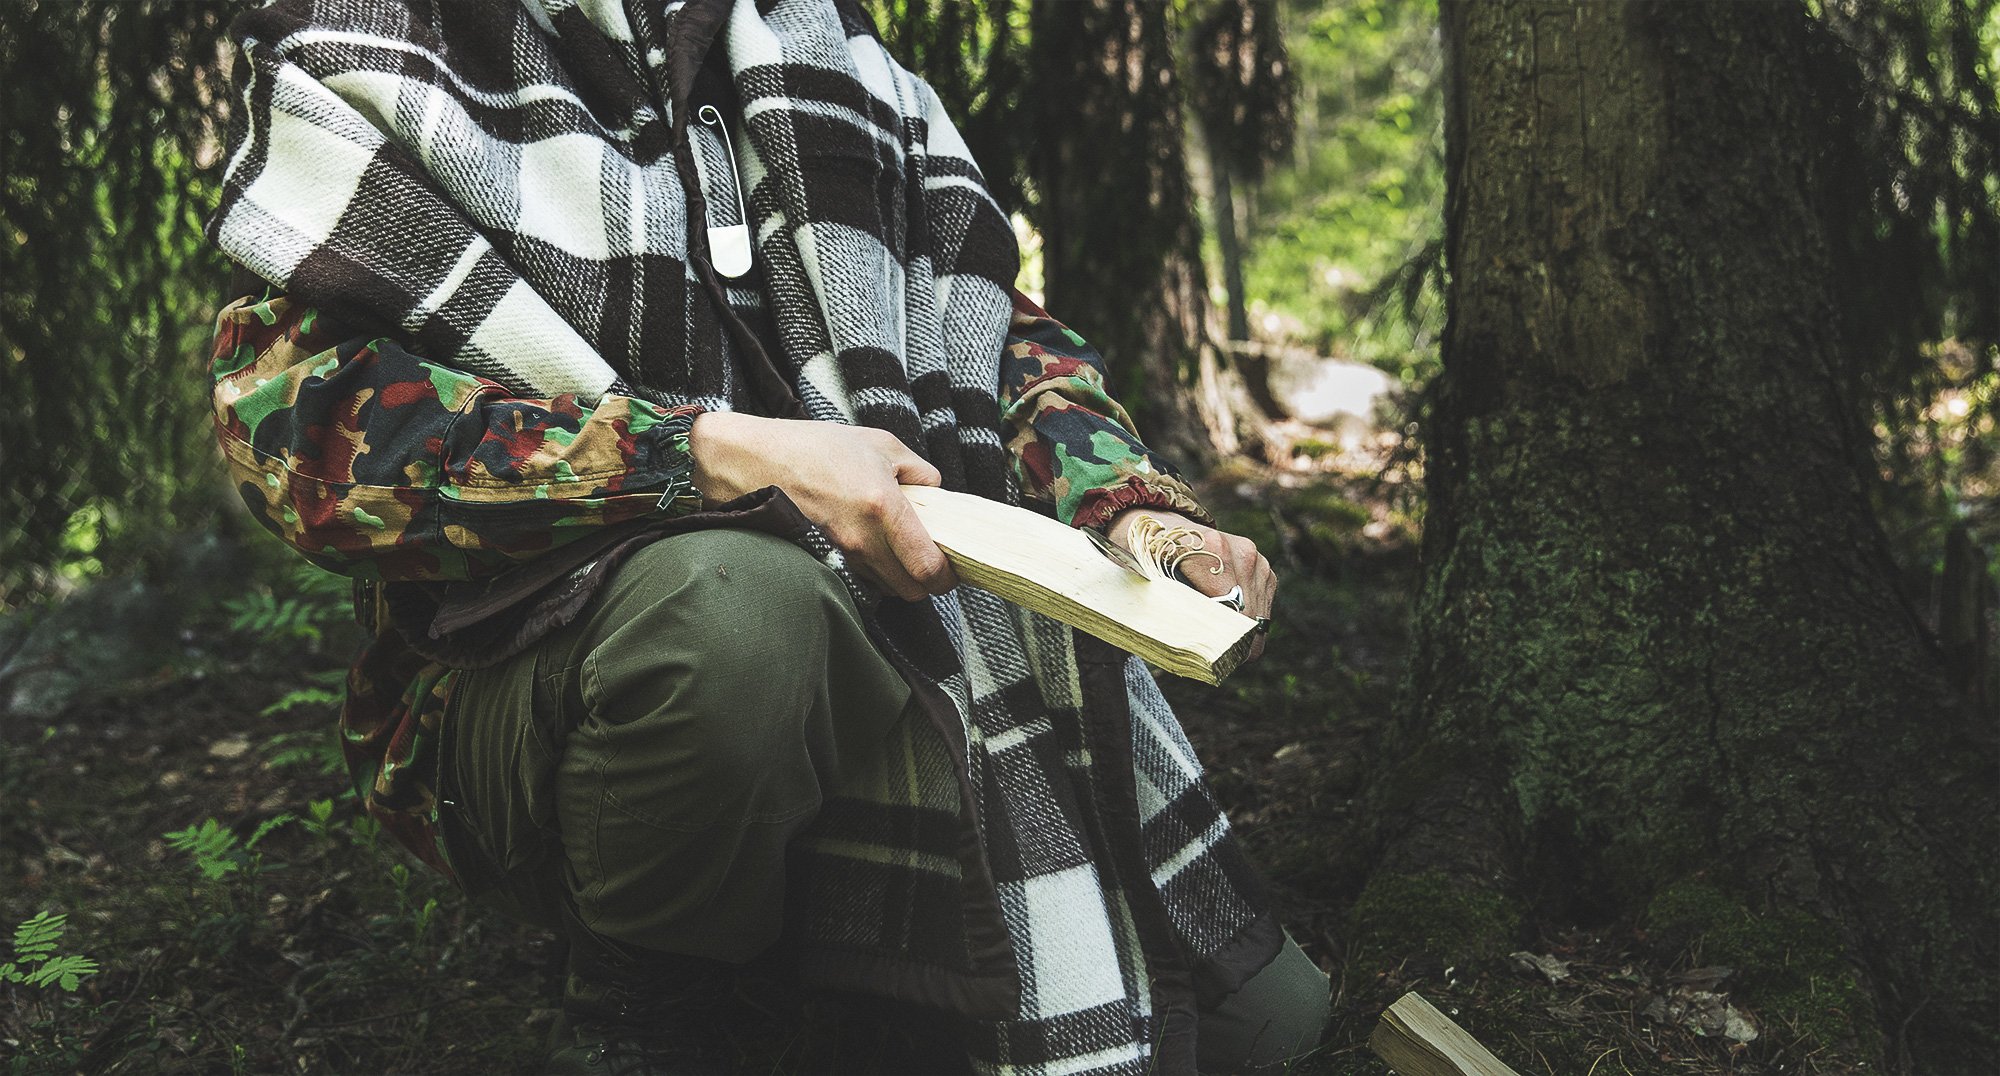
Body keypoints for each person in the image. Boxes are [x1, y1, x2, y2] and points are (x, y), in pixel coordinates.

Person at [204, 0, 1329, 1071]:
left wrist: (1121, 503)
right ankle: (647, 1006)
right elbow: (305, 446)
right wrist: (714, 451)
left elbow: (999, 340)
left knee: (1284, 1020)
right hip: (548, 681)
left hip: (929, 649)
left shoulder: (825, 51)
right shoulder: (378, 51)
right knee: (735, 611)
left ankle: (884, 942)